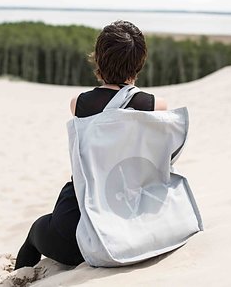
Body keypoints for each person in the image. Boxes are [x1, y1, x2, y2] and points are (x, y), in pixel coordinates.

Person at [14, 20, 167, 270]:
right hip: (134, 225)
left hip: (77, 234)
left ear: (98, 59)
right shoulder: (156, 106)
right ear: (140, 62)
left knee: (35, 232)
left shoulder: (80, 104)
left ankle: (18, 278)